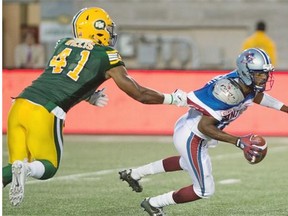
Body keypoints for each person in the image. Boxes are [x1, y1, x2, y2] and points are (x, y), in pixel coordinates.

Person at [2, 7, 187, 207]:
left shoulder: (62, 44)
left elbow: (62, 77)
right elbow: (139, 93)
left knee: (12, 167)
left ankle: (20, 168)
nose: (110, 33)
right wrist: (173, 99)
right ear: (96, 28)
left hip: (19, 104)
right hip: (45, 110)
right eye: (107, 28)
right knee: (48, 167)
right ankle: (27, 170)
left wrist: (88, 96)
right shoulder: (107, 54)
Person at [119, 48, 288, 216]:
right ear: (246, 72)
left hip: (190, 126)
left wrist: (286, 109)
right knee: (204, 190)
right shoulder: (229, 92)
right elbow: (205, 127)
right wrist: (238, 141)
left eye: (265, 73)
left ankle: (134, 174)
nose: (264, 77)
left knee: (187, 163)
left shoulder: (245, 83)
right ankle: (154, 203)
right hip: (193, 135)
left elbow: (256, 96)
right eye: (259, 73)